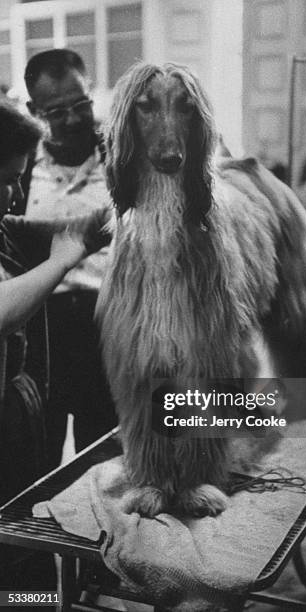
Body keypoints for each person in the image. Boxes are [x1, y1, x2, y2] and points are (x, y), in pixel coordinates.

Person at [0, 102, 110, 598]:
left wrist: (97, 222)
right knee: (12, 556)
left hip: (15, 422)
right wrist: (62, 261)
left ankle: (37, 601)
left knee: (29, 552)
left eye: (19, 179)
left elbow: (31, 229)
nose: (14, 194)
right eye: (4, 179)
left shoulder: (2, 218)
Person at [22, 49, 116, 469]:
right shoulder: (20, 172)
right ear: (33, 110)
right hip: (41, 334)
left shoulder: (121, 161)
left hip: (112, 329)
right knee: (37, 458)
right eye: (57, 113)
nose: (75, 119)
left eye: (81, 104)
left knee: (107, 463)